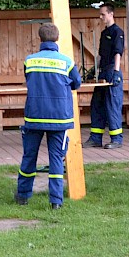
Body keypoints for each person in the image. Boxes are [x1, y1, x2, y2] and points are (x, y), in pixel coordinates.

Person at [15, 22, 82, 209]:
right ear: (57, 38)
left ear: (40, 38)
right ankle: (55, 202)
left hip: (34, 117)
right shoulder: (67, 62)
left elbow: (29, 79)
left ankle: (22, 196)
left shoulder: (30, 60)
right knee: (56, 160)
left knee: (29, 156)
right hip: (59, 119)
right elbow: (77, 83)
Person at [87, 3, 125, 149]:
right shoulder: (104, 33)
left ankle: (116, 140)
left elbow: (118, 53)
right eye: (100, 14)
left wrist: (116, 72)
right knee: (97, 104)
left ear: (111, 14)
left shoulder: (117, 32)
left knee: (112, 105)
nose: (100, 16)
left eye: (103, 14)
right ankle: (95, 138)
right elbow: (100, 55)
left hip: (111, 71)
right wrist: (94, 69)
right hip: (103, 70)